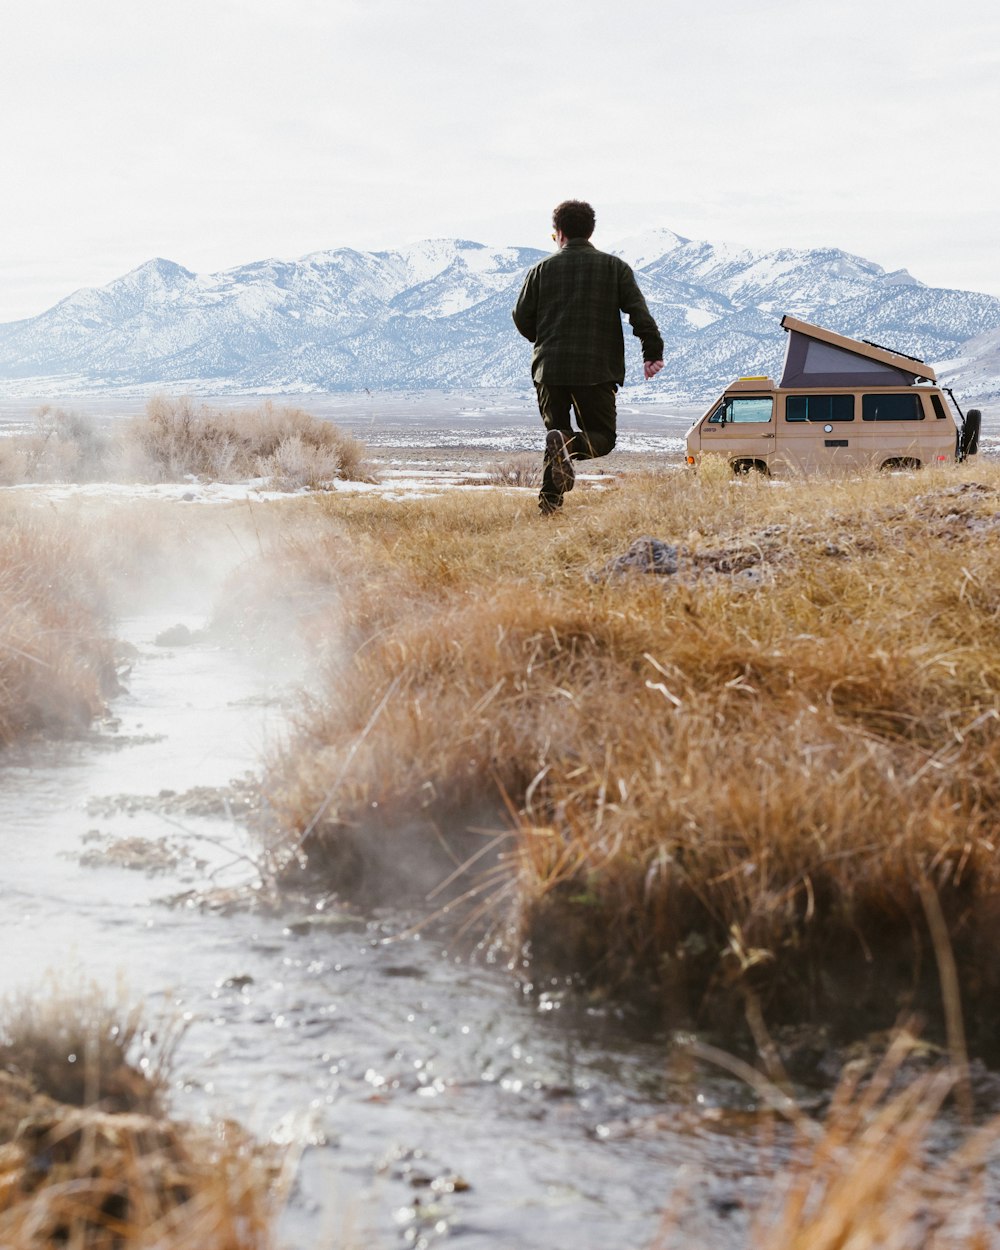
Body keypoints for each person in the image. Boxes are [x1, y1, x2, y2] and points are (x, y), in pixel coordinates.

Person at [512, 200, 664, 515]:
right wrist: (652, 351)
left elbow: (521, 317)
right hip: (596, 370)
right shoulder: (614, 268)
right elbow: (639, 312)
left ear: (559, 233)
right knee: (602, 438)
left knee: (559, 439)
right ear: (590, 231)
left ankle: (549, 508)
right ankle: (555, 486)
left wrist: (543, 340)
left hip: (549, 370)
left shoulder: (540, 270)